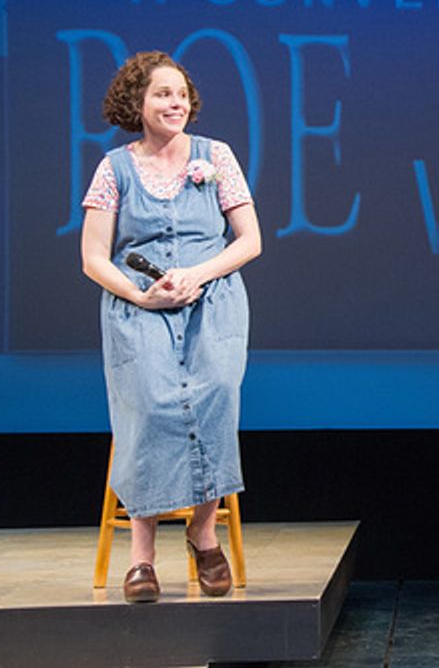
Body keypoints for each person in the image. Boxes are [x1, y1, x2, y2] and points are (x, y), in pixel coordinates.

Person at [80, 51, 262, 603]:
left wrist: (196, 275)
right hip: (140, 308)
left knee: (216, 393)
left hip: (211, 300)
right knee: (151, 406)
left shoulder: (215, 156)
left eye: (181, 94)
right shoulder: (115, 168)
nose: (175, 103)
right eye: (162, 94)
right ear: (136, 102)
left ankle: (204, 536)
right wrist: (143, 294)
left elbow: (250, 241)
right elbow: (93, 257)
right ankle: (142, 557)